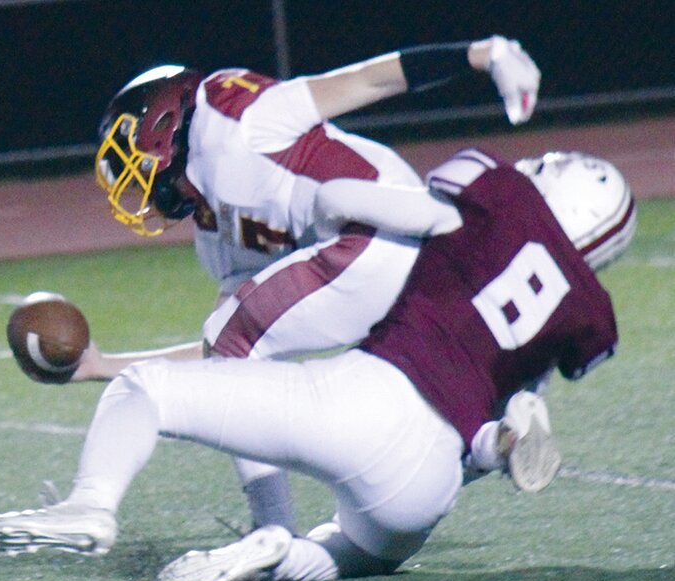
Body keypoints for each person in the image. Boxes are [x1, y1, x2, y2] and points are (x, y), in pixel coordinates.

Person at [0, 147, 636, 581]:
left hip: (366, 400)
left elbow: (351, 195)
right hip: (428, 483)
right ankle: (281, 553)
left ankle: (91, 505)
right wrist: (493, 444)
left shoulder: (499, 195)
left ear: (564, 189)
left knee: (142, 388)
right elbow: (503, 391)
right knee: (361, 554)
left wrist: (322, 211)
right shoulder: (589, 316)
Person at [81, 35, 541, 533]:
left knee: (243, 349)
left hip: (386, 226)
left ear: (162, 127)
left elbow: (368, 78)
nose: (138, 190)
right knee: (399, 409)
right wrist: (103, 367)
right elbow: (220, 355)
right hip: (385, 261)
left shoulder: (236, 114)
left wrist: (480, 55)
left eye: (134, 167)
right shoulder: (214, 232)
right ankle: (495, 440)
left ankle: (271, 529)